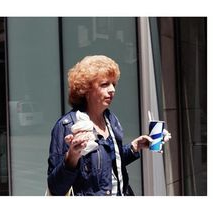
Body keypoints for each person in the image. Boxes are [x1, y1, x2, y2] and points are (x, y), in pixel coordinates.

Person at [47, 55, 171, 196]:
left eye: (114, 84)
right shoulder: (67, 126)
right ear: (86, 89)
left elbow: (108, 164)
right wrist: (72, 156)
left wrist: (135, 147)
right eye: (104, 84)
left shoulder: (111, 120)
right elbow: (56, 188)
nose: (112, 90)